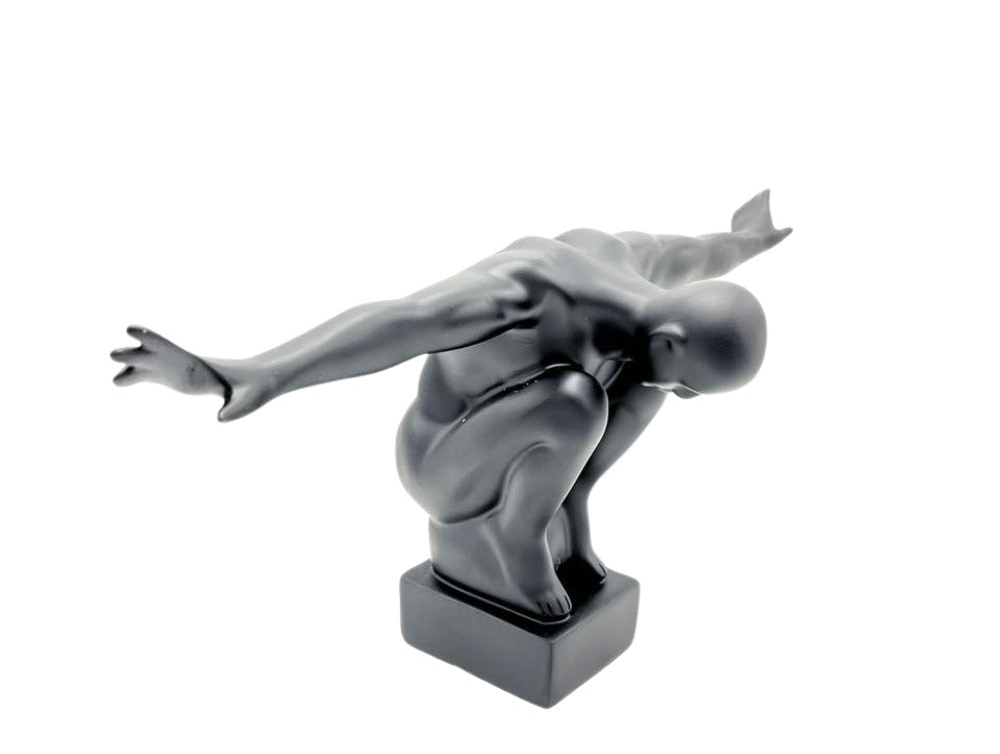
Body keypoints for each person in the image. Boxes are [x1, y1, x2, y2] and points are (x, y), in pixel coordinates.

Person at [112, 190, 791, 622]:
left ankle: (571, 506)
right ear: (670, 338)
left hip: (520, 438)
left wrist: (750, 240)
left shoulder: (644, 275)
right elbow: (401, 320)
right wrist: (257, 373)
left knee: (632, 388)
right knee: (579, 398)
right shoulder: (533, 291)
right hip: (442, 459)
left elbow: (700, 255)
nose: (685, 395)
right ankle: (518, 538)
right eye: (689, 382)